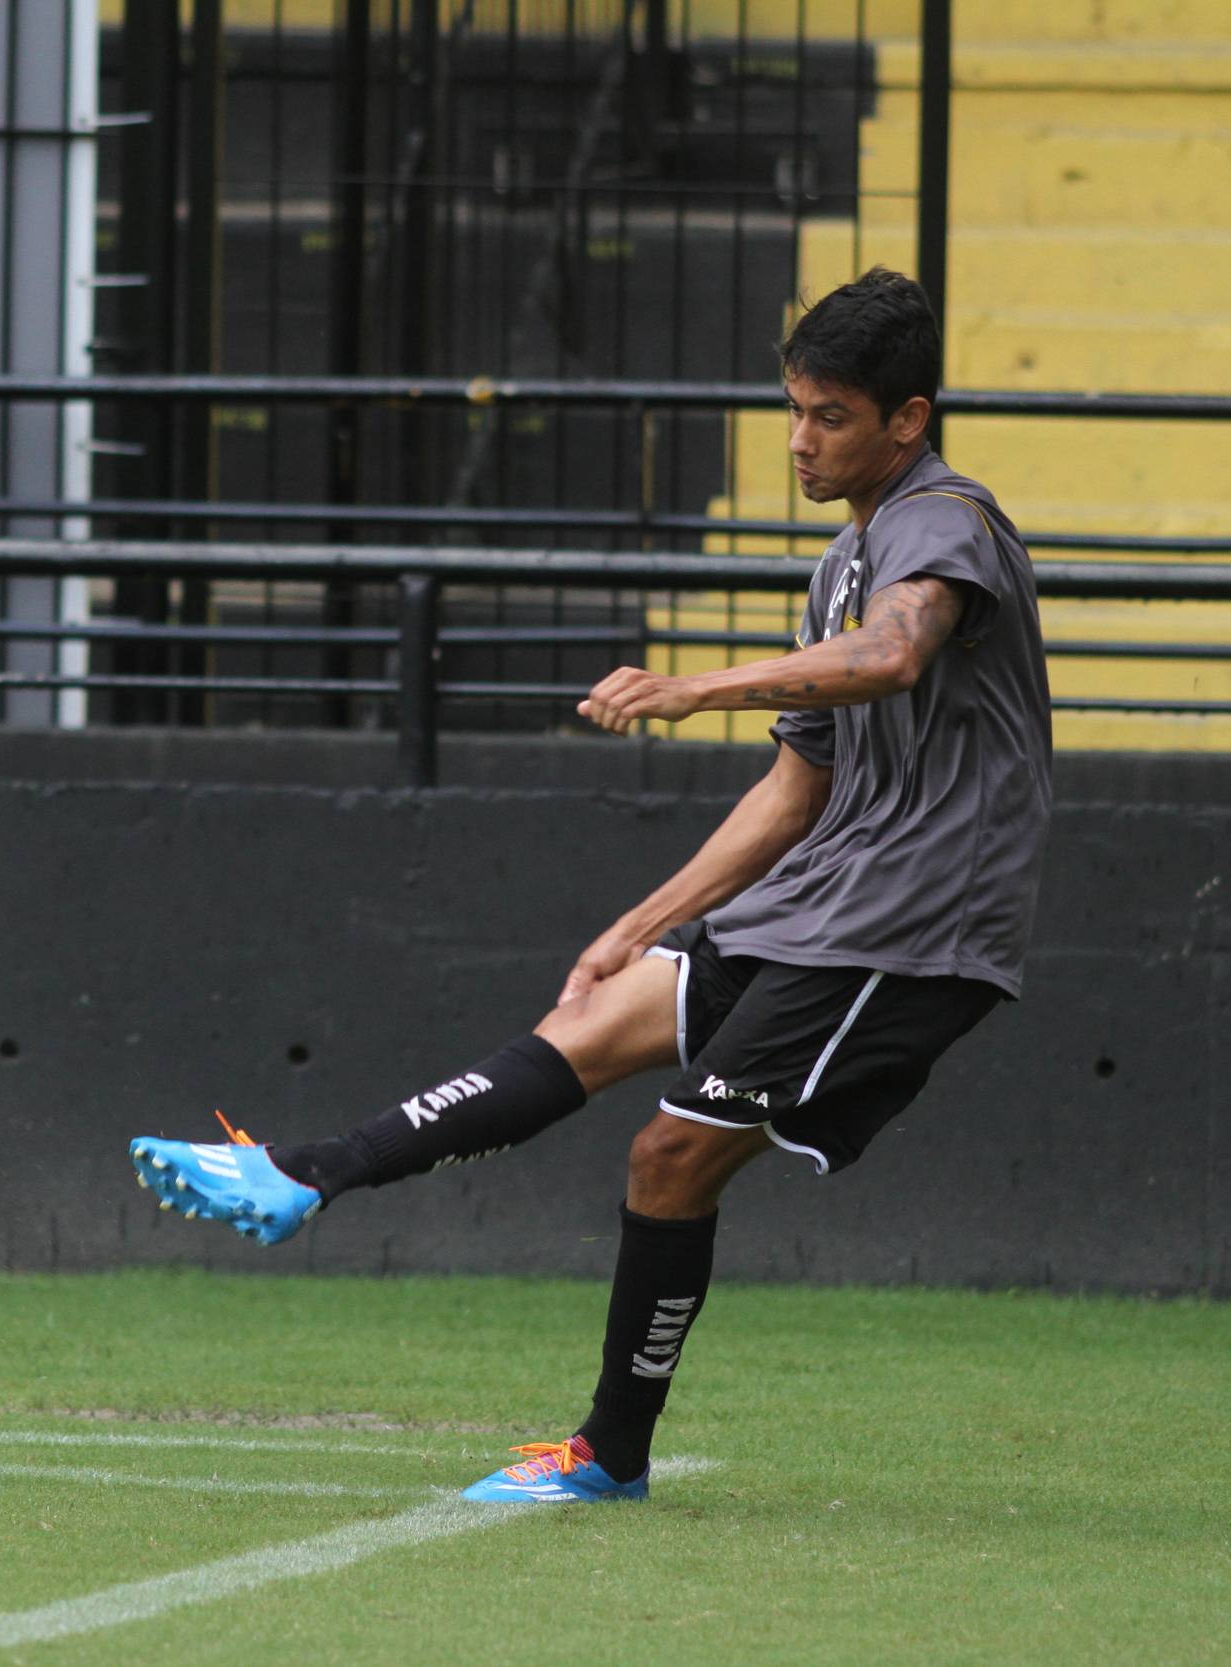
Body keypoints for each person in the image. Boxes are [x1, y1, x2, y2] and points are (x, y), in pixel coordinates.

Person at [128, 268, 1053, 1504]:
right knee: (587, 1023)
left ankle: (609, 1452)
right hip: (825, 892)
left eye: (830, 416)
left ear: (907, 418)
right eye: (790, 409)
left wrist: (685, 687)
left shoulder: (943, 520)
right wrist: (639, 924)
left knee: (668, 1156)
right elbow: (799, 784)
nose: (798, 439)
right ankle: (306, 1171)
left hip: (911, 921)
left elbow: (891, 657)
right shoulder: (845, 556)